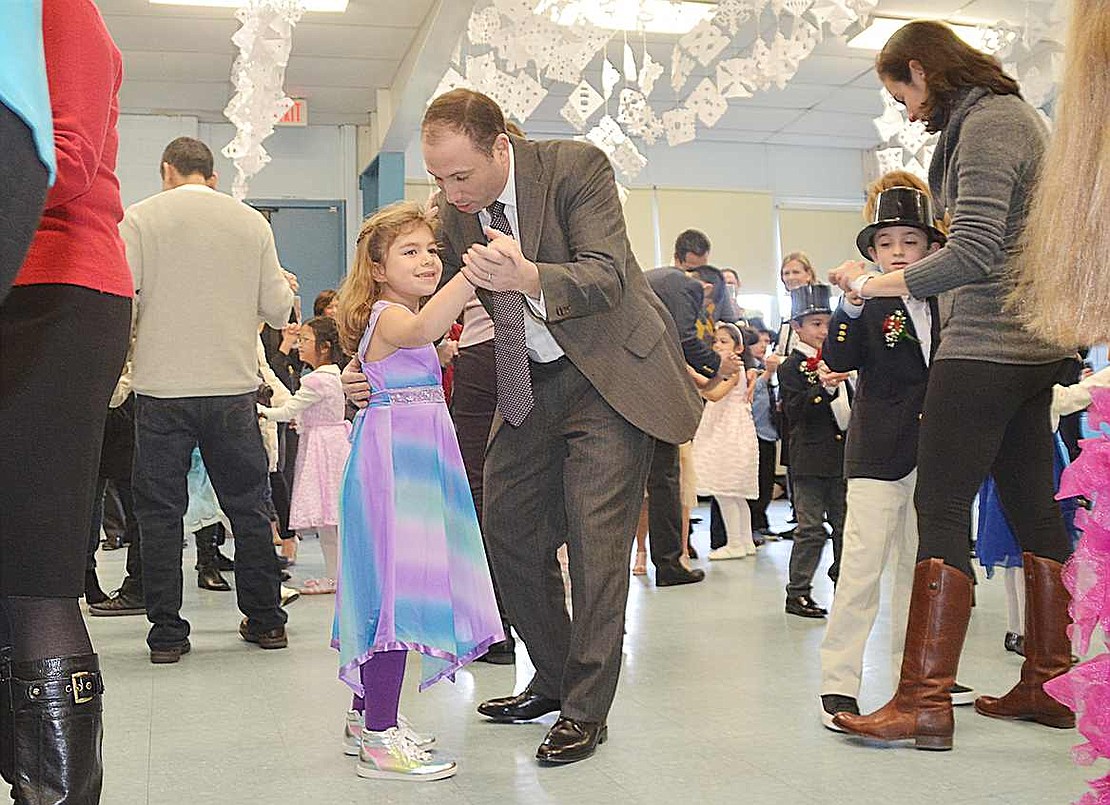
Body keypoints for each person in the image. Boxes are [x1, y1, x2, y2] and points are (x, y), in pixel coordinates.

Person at [345, 89, 702, 765]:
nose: (450, 193)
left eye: (461, 175)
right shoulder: (455, 213)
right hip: (528, 382)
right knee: (504, 529)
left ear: (500, 148)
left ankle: (585, 709)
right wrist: (357, 370)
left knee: (597, 543)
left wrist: (530, 274)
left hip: (607, 378)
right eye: (439, 178)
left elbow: (606, 277)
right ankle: (555, 675)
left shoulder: (575, 169)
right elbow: (411, 302)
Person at [829, 20, 1075, 748]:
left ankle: (923, 700)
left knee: (939, 507)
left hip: (990, 345)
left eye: (900, 91)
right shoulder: (1008, 117)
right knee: (1035, 509)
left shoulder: (992, 123)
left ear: (920, 68)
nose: (904, 109)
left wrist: (881, 282)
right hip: (1031, 345)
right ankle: (1050, 681)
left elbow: (972, 250)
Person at [0, 1, 131, 799]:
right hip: (22, 283)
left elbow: (68, 155)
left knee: (36, 564)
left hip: (59, 289)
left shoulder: (57, 7)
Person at [332, 201, 502, 782]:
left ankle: (368, 718)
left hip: (412, 462)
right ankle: (379, 736)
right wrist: (470, 274)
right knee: (396, 597)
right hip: (394, 469)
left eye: (432, 249)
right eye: (411, 252)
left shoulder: (399, 317)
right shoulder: (389, 315)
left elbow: (421, 347)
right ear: (377, 268)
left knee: (394, 590)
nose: (428, 260)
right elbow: (425, 329)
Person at [123, 136, 296, 664]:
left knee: (159, 514)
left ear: (166, 170)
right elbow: (277, 305)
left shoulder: (139, 219)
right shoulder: (250, 222)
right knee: (248, 507)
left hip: (160, 390)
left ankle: (167, 635)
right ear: (212, 174)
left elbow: (124, 297)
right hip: (231, 387)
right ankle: (266, 621)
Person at [817, 183, 978, 731]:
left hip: (937, 455)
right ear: (873, 253)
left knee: (923, 568)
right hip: (877, 454)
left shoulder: (948, 300)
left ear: (932, 249)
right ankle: (839, 682)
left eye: (912, 240)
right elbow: (838, 357)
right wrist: (850, 303)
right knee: (861, 568)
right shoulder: (865, 304)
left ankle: (920, 676)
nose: (900, 252)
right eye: (887, 243)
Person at [643, 244, 743, 585]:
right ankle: (669, 564)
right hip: (653, 394)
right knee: (665, 478)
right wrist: (719, 363)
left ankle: (663, 561)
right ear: (708, 290)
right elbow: (686, 338)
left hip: (632, 385)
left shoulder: (656, 281)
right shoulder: (686, 286)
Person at [259, 316, 351, 595]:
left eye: (305, 341)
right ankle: (342, 576)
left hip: (322, 448)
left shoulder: (316, 380)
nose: (300, 346)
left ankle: (335, 578)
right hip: (337, 443)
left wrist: (261, 412)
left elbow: (287, 410)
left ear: (324, 347)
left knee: (328, 520)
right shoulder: (336, 375)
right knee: (337, 518)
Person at [776, 285, 849, 619]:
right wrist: (823, 388)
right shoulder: (791, 367)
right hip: (809, 460)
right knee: (810, 528)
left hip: (842, 457)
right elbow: (793, 412)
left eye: (827, 323)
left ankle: (844, 584)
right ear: (797, 327)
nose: (823, 330)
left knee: (845, 526)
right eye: (815, 324)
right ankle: (798, 591)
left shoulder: (842, 359)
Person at [690, 323, 760, 560]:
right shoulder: (732, 369)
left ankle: (735, 543)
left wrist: (688, 376)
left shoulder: (733, 369)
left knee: (726, 490)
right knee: (735, 495)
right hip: (730, 426)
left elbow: (714, 393)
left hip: (728, 431)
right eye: (716, 341)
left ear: (738, 347)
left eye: (724, 341)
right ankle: (745, 540)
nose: (717, 345)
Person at [747, 329, 782, 537]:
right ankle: (752, 526)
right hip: (752, 433)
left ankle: (761, 521)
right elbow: (751, 394)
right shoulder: (749, 370)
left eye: (766, 342)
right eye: (758, 342)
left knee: (766, 481)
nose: (762, 346)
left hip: (768, 432)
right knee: (755, 482)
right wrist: (767, 373)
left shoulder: (765, 369)